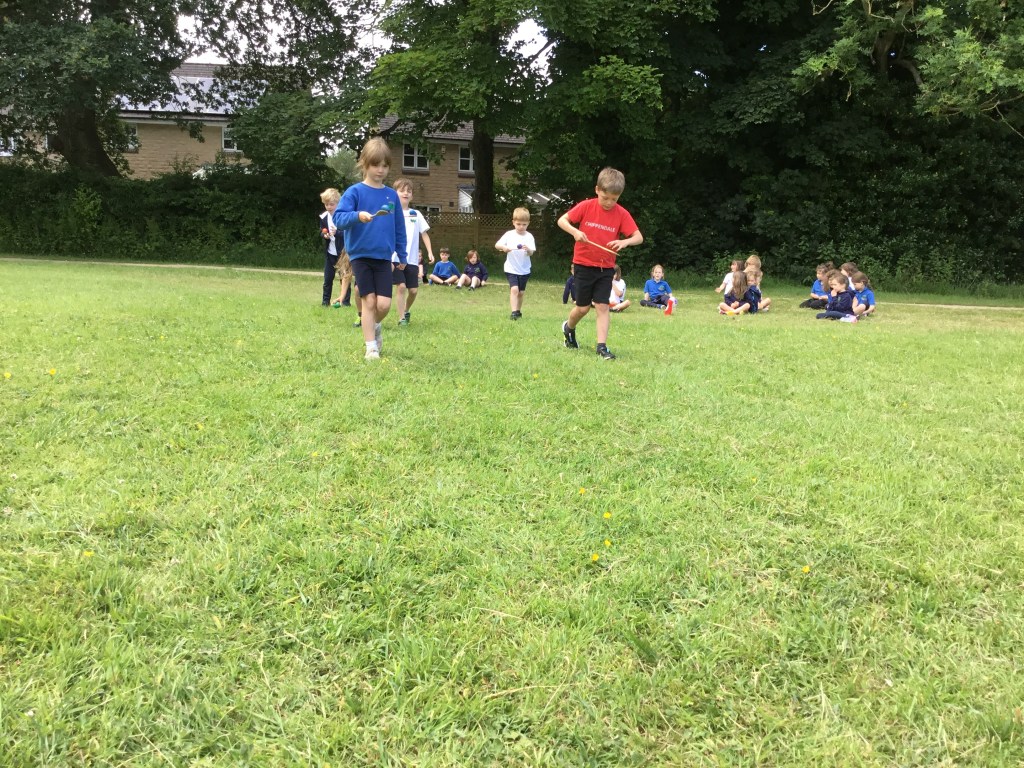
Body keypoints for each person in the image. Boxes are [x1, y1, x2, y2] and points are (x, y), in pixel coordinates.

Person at [332, 137, 407, 360]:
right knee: (369, 301)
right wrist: (357, 216)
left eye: (385, 165)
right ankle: (371, 347)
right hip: (360, 256)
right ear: (364, 163)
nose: (381, 170)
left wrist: (402, 254)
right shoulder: (354, 192)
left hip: (384, 257)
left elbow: (399, 227)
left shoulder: (391, 195)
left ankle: (373, 327)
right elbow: (339, 219)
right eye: (376, 165)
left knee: (383, 305)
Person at [558, 167, 643, 360]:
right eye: (605, 198)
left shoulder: (621, 214)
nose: (609, 202)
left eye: (614, 199)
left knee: (602, 306)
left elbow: (638, 237)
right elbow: (562, 221)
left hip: (606, 268)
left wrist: (625, 242)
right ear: (597, 190)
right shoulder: (586, 206)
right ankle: (568, 328)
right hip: (583, 265)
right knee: (583, 308)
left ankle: (602, 347)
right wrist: (575, 232)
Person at [391, 178, 434, 326]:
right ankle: (401, 318)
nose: (405, 193)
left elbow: (424, 234)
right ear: (395, 194)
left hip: (412, 259)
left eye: (408, 191)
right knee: (401, 287)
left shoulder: (416, 214)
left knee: (413, 291)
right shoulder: (391, 213)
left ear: (412, 196)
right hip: (395, 258)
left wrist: (430, 252)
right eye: (402, 190)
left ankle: (406, 310)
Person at [496, 207, 536, 320]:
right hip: (511, 268)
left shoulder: (529, 237)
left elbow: (531, 253)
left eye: (524, 224)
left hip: (524, 269)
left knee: (521, 292)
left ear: (528, 223)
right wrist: (504, 247)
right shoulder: (509, 234)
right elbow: (497, 245)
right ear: (513, 222)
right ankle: (513, 312)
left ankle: (518, 311)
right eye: (518, 224)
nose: (521, 227)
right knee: (514, 290)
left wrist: (528, 250)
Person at [319, 188, 344, 307]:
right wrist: (325, 235)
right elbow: (321, 231)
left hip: (342, 253)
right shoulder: (323, 217)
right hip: (330, 253)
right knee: (328, 278)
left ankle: (345, 302)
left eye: (331, 204)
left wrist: (337, 233)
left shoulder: (343, 216)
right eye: (326, 204)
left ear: (338, 203)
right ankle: (325, 302)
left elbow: (348, 233)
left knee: (344, 278)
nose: (329, 207)